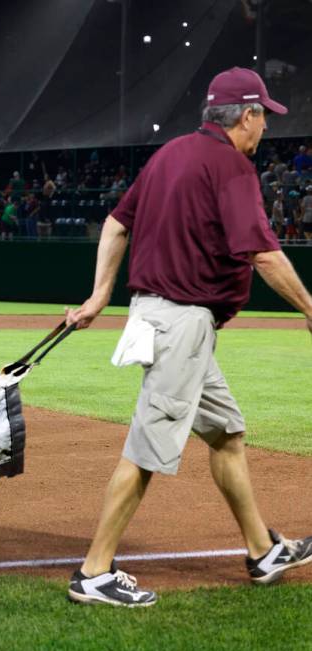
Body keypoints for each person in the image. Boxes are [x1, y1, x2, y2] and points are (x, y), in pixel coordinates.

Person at [65, 67, 312, 608]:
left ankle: (260, 550)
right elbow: (264, 253)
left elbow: (114, 224)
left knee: (226, 433)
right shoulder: (230, 165)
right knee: (148, 449)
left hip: (165, 319)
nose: (265, 128)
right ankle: (93, 573)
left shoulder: (169, 153)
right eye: (263, 116)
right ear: (245, 116)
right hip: (181, 323)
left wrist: (100, 294)